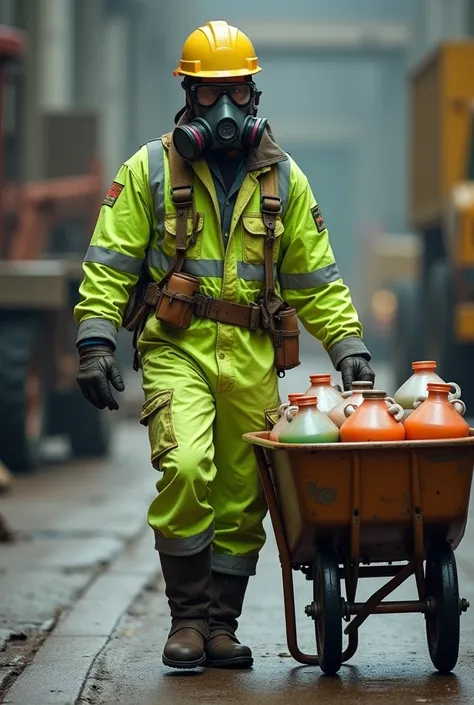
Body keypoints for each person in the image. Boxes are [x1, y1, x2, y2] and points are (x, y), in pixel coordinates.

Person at [74, 20, 375, 671]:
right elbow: (110, 262)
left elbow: (315, 276)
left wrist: (347, 343)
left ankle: (221, 625)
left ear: (254, 93)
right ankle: (187, 619)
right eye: (210, 94)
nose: (225, 109)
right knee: (185, 468)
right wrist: (95, 336)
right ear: (187, 94)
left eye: (235, 90)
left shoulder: (284, 181)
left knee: (245, 498)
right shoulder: (150, 169)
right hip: (176, 347)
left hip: (252, 356)